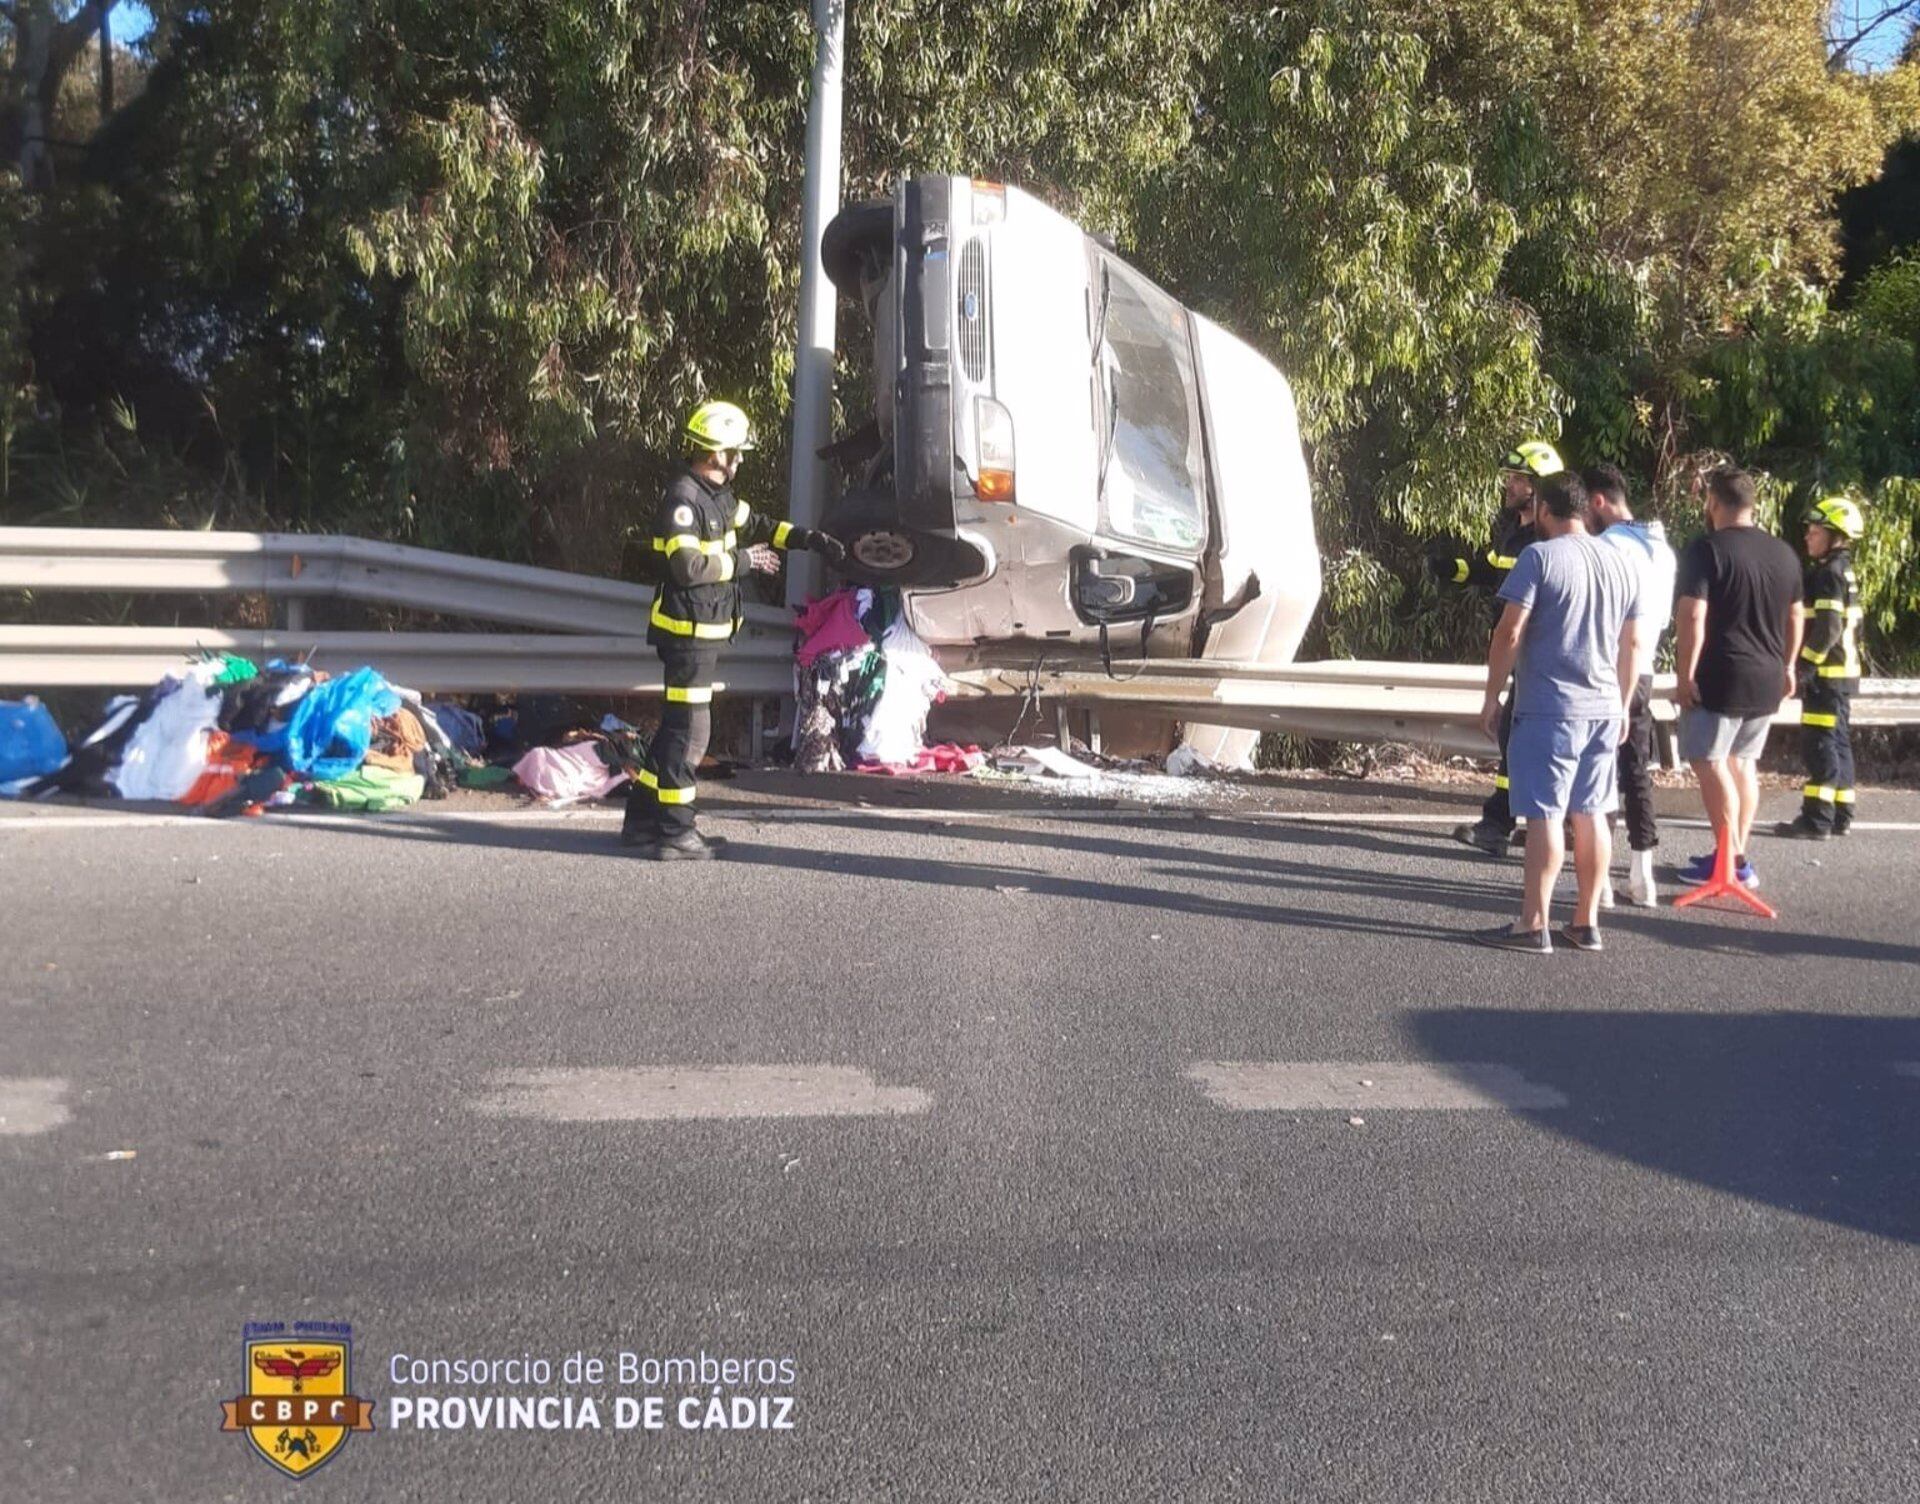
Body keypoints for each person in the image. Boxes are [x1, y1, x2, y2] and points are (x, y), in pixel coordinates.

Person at [623, 400, 846, 860]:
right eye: (735, 451)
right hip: (685, 634)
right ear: (714, 452)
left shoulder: (718, 495)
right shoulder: (684, 498)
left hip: (703, 631)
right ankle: (677, 832)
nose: (741, 458)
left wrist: (810, 540)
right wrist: (745, 561)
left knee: (673, 733)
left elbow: (760, 524)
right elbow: (687, 567)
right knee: (691, 734)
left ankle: (643, 823)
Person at [1473, 471, 1643, 954]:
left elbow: (1509, 632)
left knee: (1544, 815)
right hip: (1605, 707)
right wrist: (1625, 701)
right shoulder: (1620, 560)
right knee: (1591, 812)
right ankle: (1586, 921)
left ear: (1545, 510)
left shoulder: (1538, 557)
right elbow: (1632, 640)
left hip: (1551, 708)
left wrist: (1492, 696)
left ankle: (1533, 923)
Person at [1672, 466, 1803, 890]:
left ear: (1713, 503)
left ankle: (1730, 858)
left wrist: (1684, 673)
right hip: (1767, 675)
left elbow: (1693, 613)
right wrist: (1788, 665)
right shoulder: (1784, 553)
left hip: (1721, 673)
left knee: (1709, 762)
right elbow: (1796, 614)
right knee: (1742, 763)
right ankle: (1734, 858)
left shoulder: (1707, 549)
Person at [1435, 439, 1565, 857]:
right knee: (1517, 735)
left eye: (1518, 479)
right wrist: (1450, 569)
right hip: (1521, 657)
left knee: (1515, 733)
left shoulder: (1544, 542)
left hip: (1534, 654)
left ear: (1539, 487)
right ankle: (1526, 821)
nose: (1509, 485)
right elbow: (1489, 572)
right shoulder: (1513, 533)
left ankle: (1499, 823)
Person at [1586, 463, 1677, 906]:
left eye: (1586, 505)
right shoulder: (1661, 547)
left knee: (1598, 772)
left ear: (1598, 501)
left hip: (1609, 669)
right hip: (1645, 669)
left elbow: (1609, 620)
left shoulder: (1610, 547)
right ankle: (1643, 878)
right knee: (1637, 770)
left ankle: (1598, 882)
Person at [1773, 495, 1866, 840]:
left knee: (1820, 745)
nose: (1808, 536)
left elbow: (1828, 629)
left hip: (1826, 676)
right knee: (1838, 742)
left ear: (1835, 535)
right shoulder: (1843, 571)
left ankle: (1817, 819)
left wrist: (1805, 667)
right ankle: (1841, 814)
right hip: (1841, 677)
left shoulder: (1828, 575)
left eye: (1815, 530)